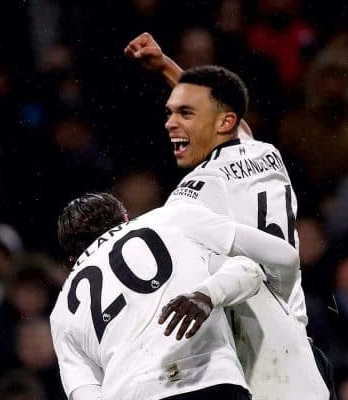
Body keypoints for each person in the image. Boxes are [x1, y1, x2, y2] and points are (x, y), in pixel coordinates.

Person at [124, 32, 333, 399]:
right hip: (302, 347)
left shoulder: (199, 186)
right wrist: (165, 66)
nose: (173, 125)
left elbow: (167, 236)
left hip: (263, 356)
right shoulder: (265, 152)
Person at [50, 192, 302, 400]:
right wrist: (208, 295)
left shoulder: (61, 312)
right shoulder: (170, 217)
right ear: (127, 218)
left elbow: (85, 394)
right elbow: (282, 257)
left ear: (71, 258)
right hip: (206, 380)